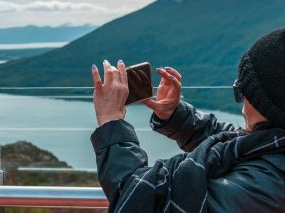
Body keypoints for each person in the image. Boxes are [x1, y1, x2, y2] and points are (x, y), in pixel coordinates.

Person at [90, 28, 285, 212]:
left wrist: (111, 120)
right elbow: (235, 144)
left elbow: (143, 200)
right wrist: (174, 115)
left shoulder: (263, 188)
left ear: (264, 102)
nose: (242, 101)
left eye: (241, 90)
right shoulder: (270, 147)